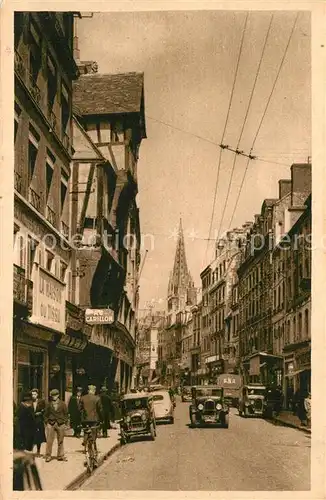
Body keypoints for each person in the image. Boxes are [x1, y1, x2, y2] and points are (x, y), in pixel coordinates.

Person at [44, 389, 69, 462]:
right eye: (52, 396)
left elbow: (66, 414)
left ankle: (60, 455)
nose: (53, 397)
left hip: (60, 424)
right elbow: (45, 414)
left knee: (60, 440)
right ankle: (48, 456)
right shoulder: (49, 404)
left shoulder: (63, 404)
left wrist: (65, 422)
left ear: (58, 395)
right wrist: (47, 422)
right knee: (49, 441)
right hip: (51, 424)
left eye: (55, 395)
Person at [80, 385, 103, 455]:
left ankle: (85, 441)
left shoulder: (82, 398)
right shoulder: (97, 398)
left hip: (85, 419)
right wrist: (101, 419)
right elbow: (100, 410)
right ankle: (93, 446)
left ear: (88, 391)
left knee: (86, 430)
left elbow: (79, 408)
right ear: (94, 391)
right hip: (94, 419)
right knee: (94, 432)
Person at [31, 388, 46, 455]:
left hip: (38, 420)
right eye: (32, 394)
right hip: (31, 421)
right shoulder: (29, 402)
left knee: (38, 436)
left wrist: (40, 413)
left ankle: (38, 451)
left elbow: (45, 410)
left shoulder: (41, 401)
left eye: (35, 394)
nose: (33, 396)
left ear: (37, 395)